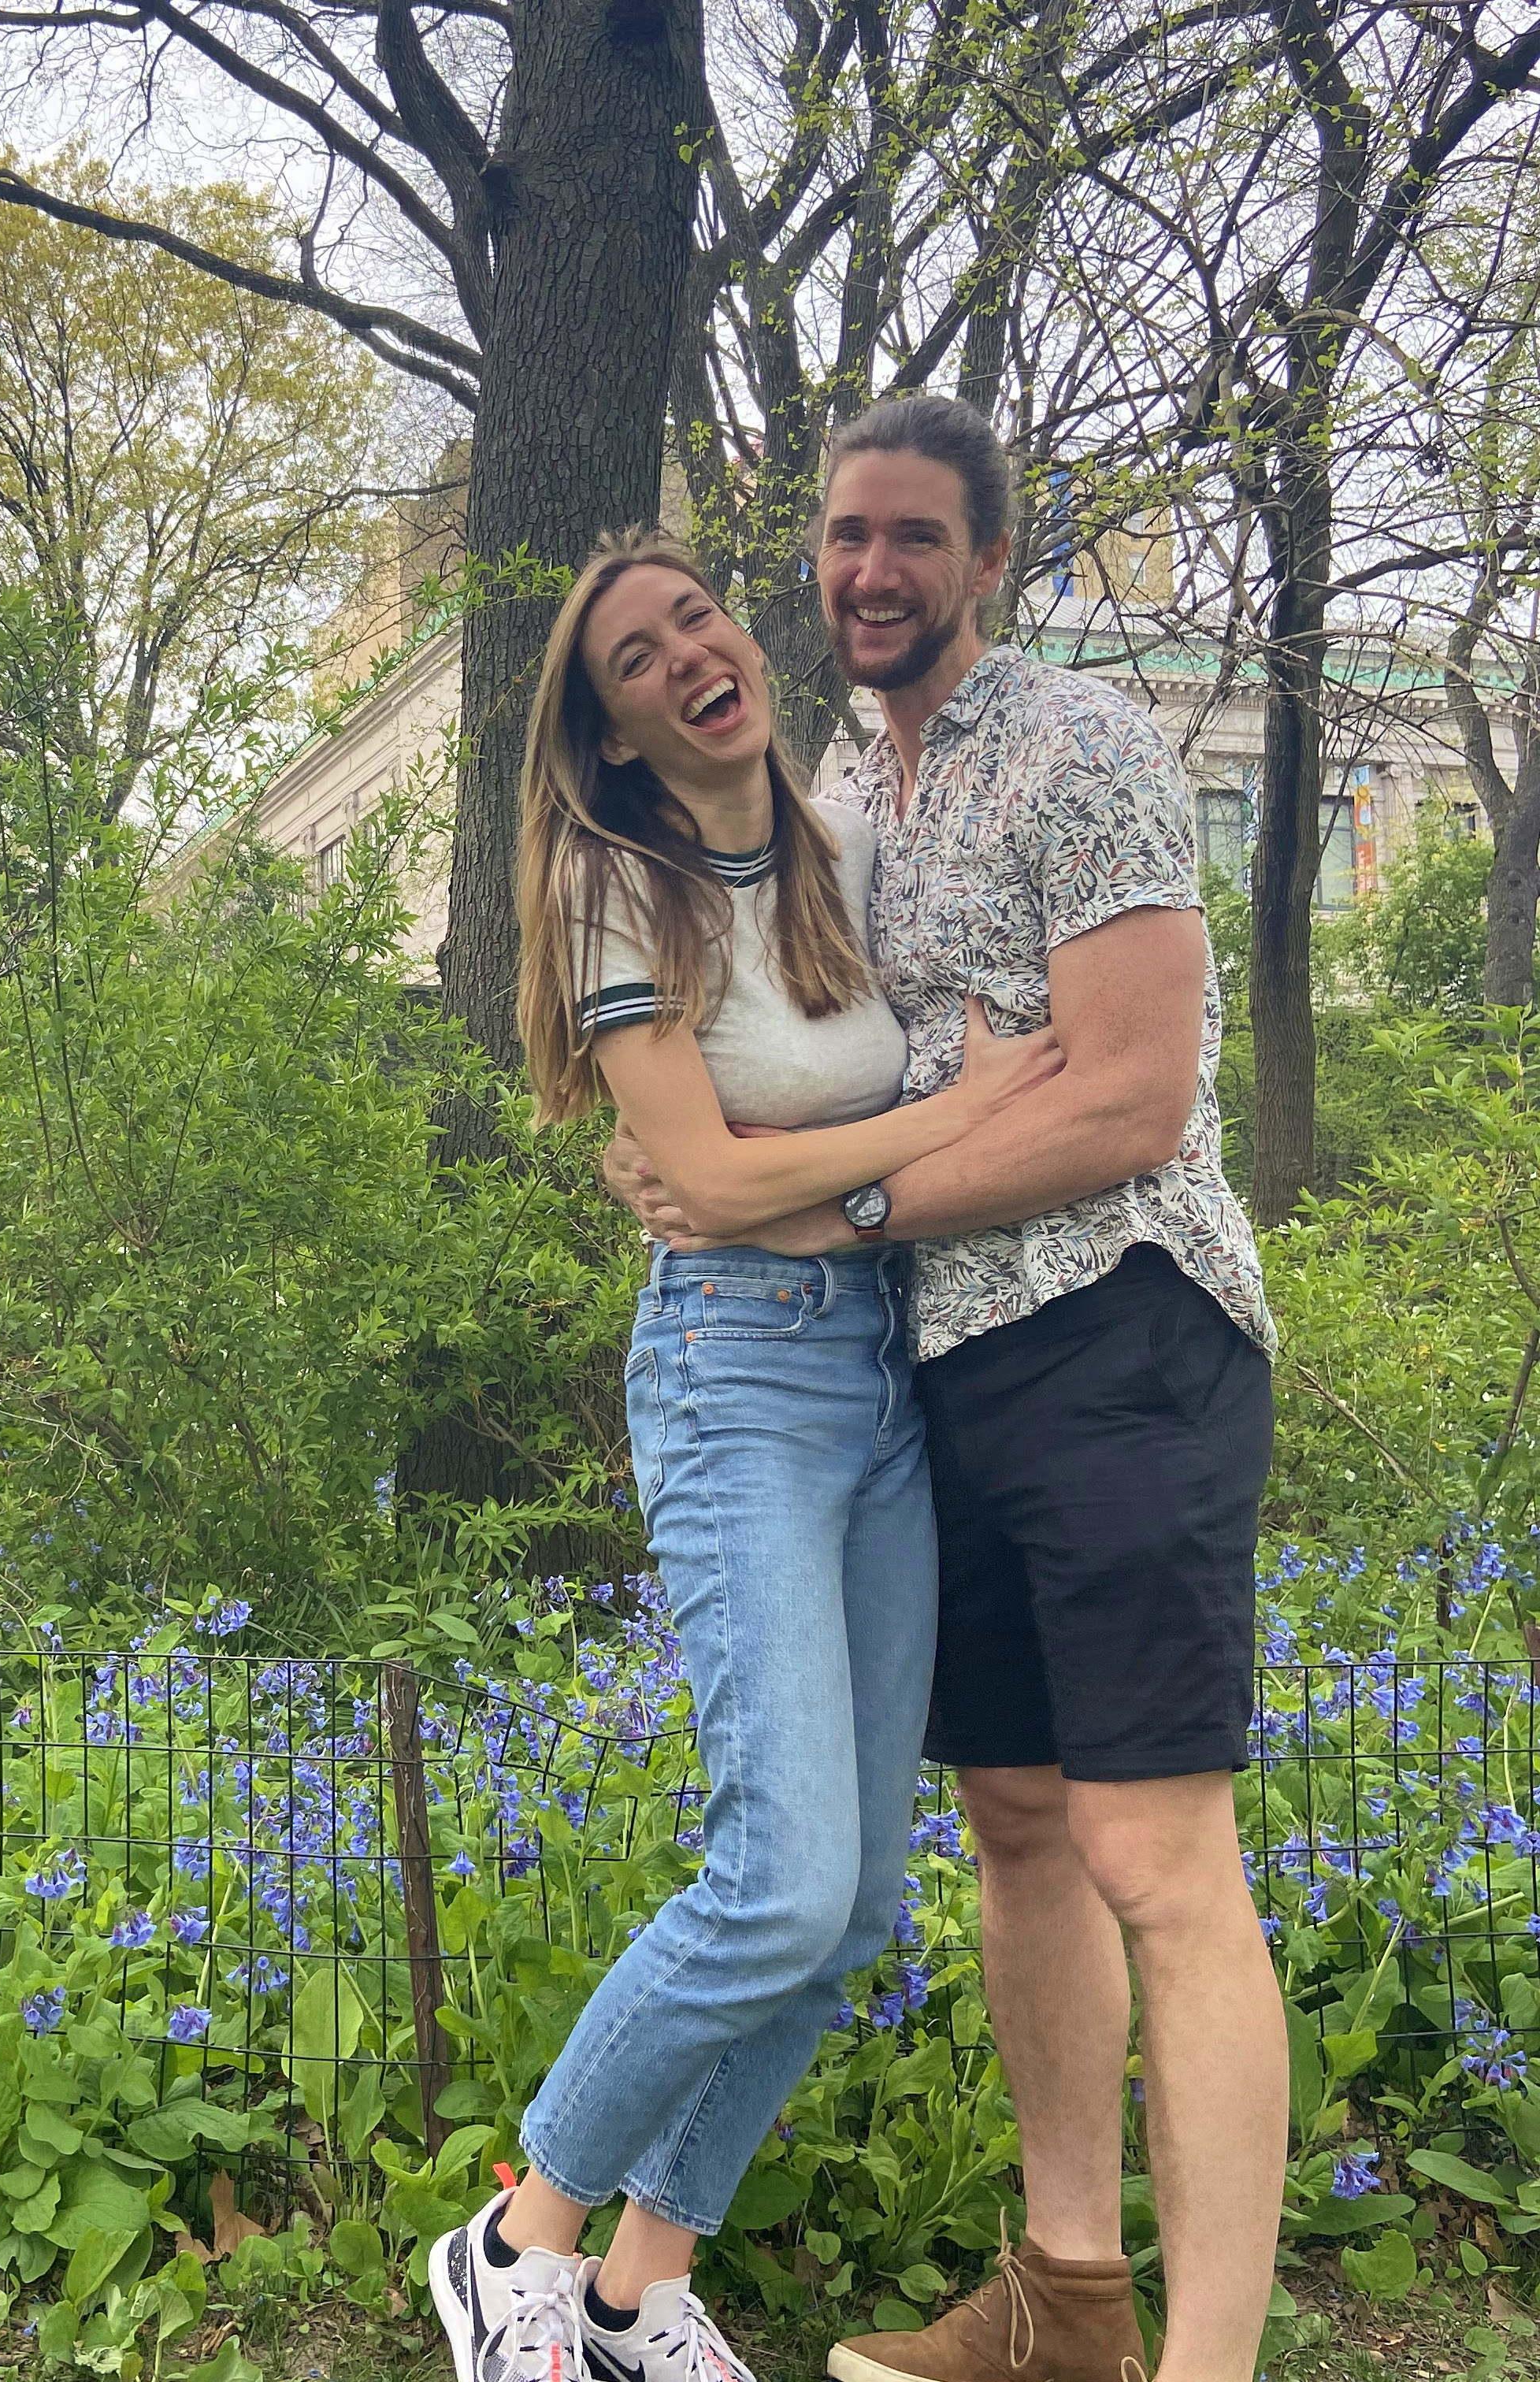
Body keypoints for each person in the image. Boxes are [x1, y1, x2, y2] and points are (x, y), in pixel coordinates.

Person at [611, 394, 1285, 2382]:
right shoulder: (836, 787)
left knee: (1161, 1859)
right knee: (1015, 1822)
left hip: (1123, 1331)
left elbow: (1133, 1098)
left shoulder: (1083, 745)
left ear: (988, 558)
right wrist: (685, 1154)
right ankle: (1069, 2307)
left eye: (915, 536)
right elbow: (784, 1055)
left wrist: (845, 1213)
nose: (874, 571)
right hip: (938, 1374)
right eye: (846, 536)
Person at [428, 526, 1065, 2382]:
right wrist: (940, 1123)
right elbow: (700, 1183)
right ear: (614, 731)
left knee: (853, 1909)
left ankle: (639, 2292)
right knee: (777, 1880)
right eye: (634, 659)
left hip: (881, 1374)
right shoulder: (610, 882)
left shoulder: (845, 846)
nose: (685, 657)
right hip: (736, 1379)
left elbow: (763, 1163)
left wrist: (820, 1184)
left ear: (742, 641)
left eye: (695, 618)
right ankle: (516, 2239)